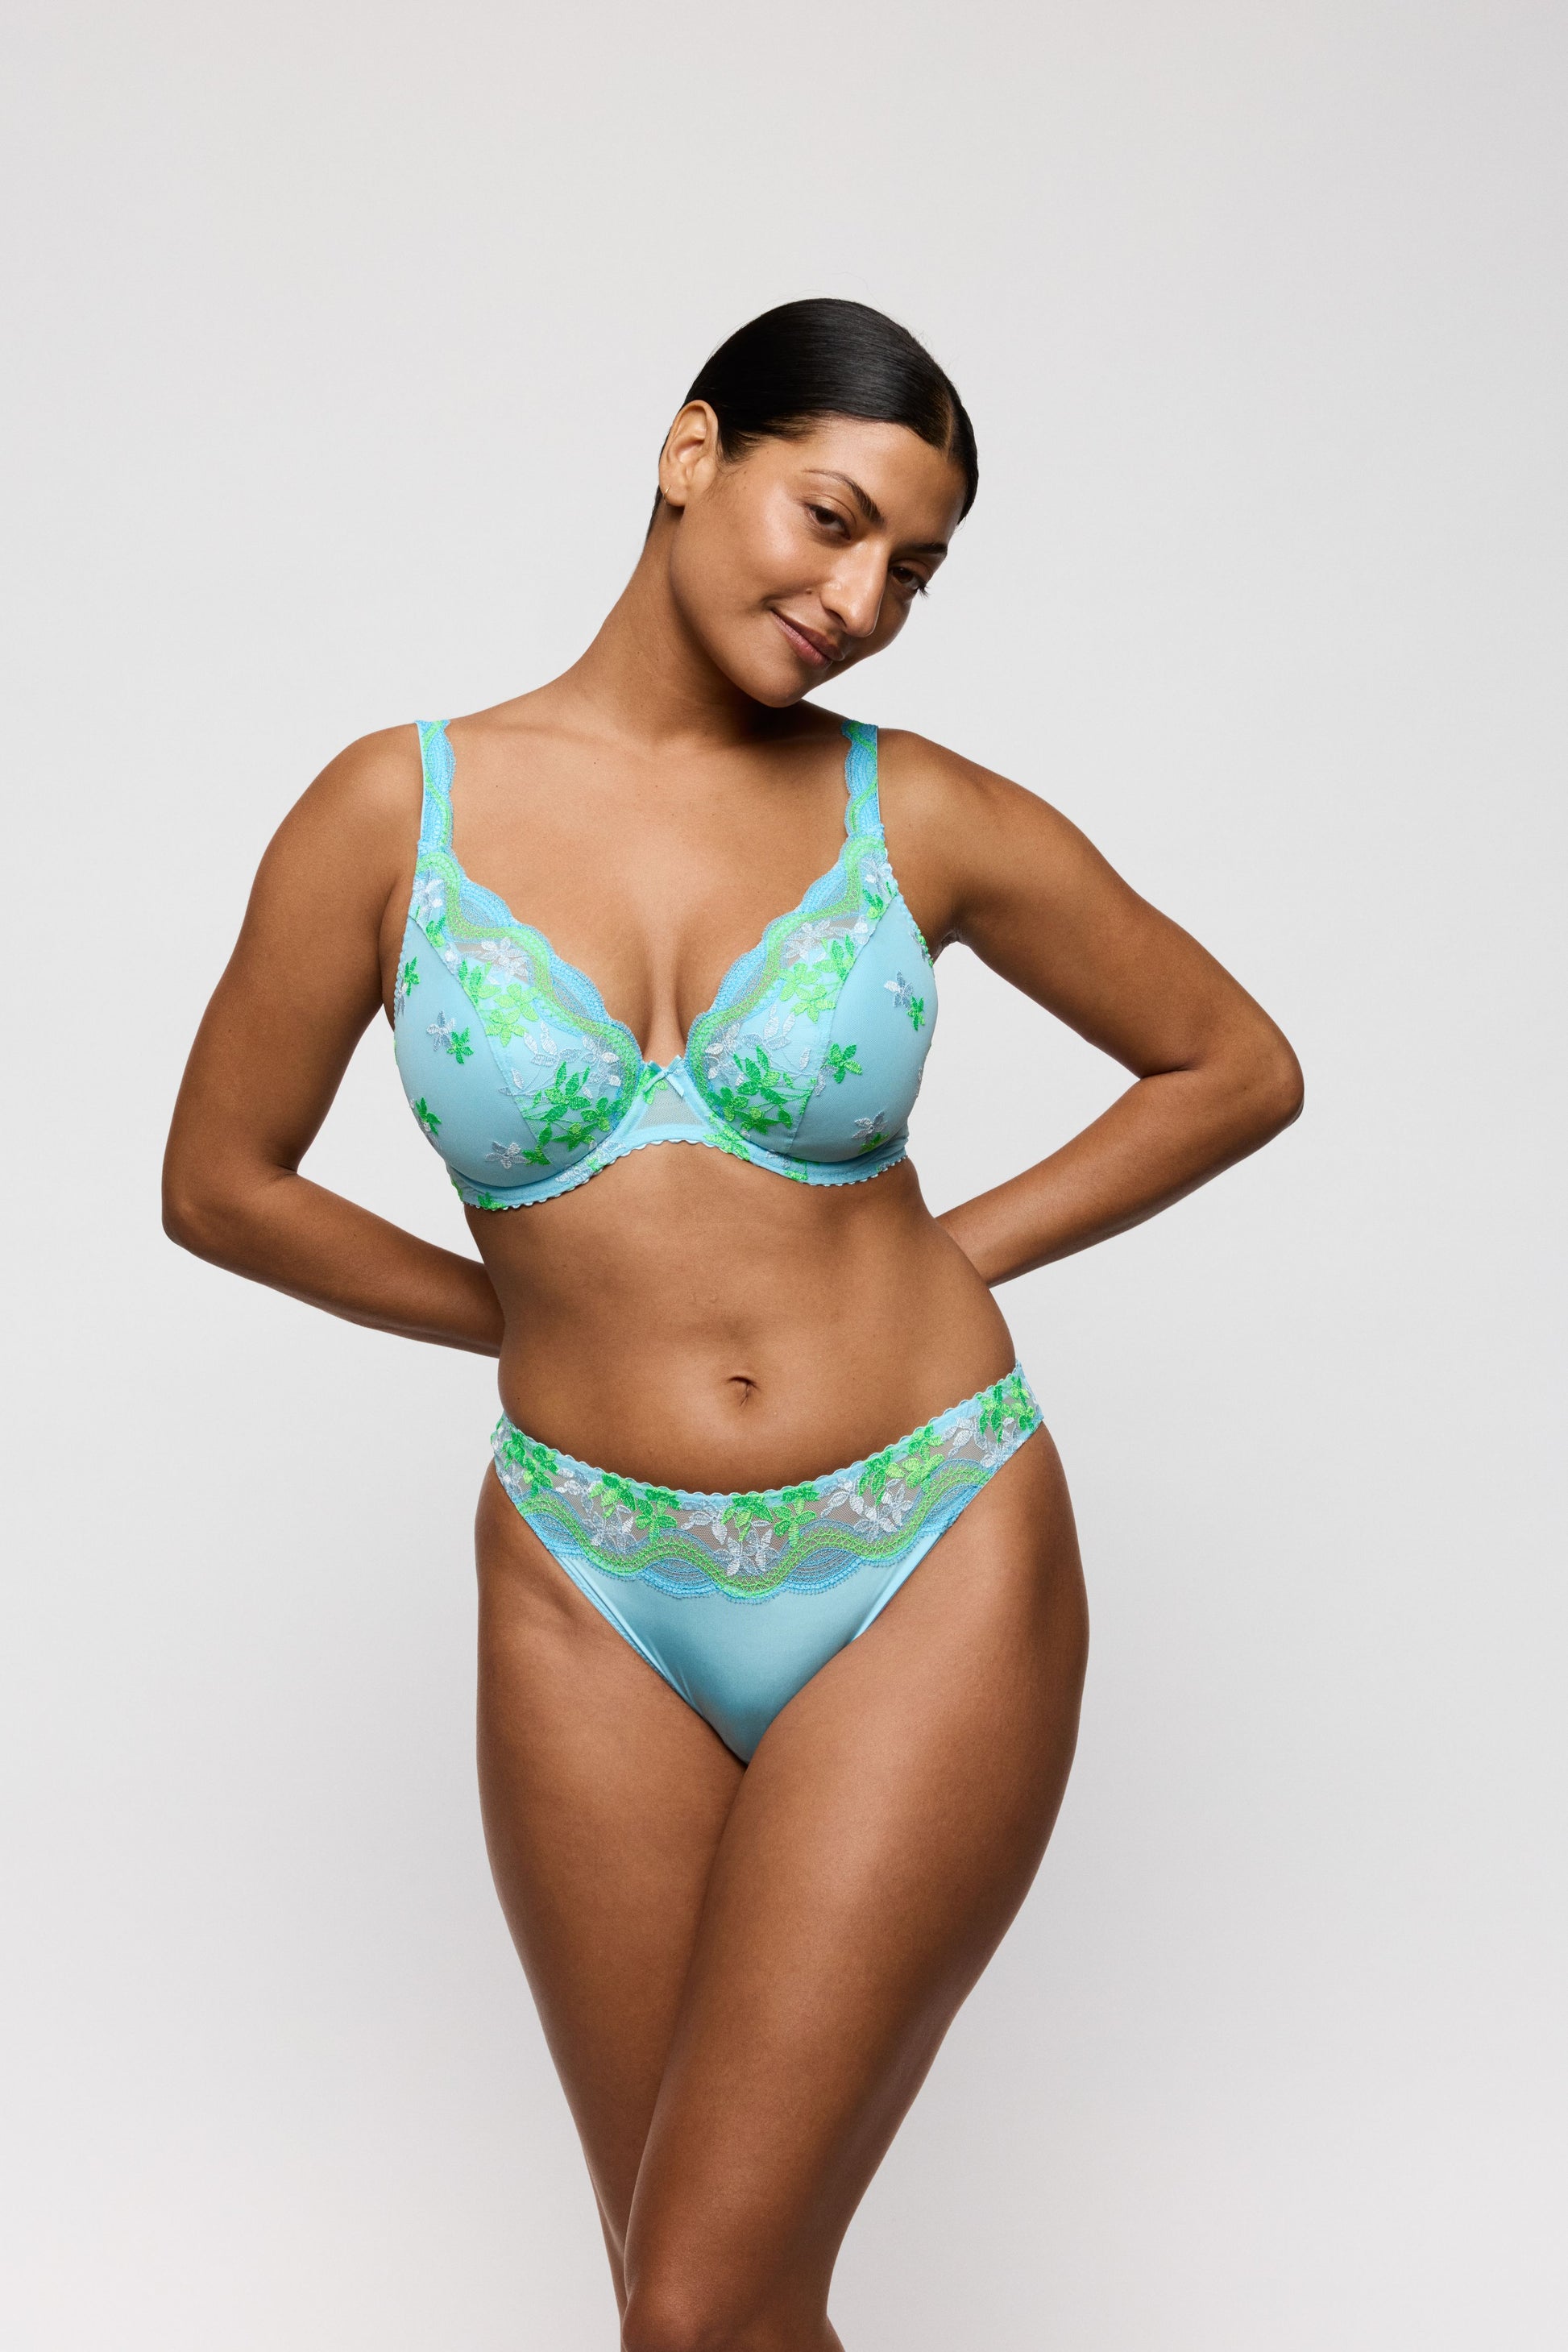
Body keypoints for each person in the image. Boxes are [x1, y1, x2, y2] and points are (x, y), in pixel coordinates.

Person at [164, 297, 1302, 2350]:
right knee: (689, 2309)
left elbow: (1231, 1063)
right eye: (834, 519)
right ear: (693, 452)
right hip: (585, 1569)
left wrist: (949, 1256)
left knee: (703, 2293)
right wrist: (513, 1312)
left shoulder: (915, 809)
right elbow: (219, 1182)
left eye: (914, 571)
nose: (862, 602)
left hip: (926, 1533)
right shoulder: (390, 810)